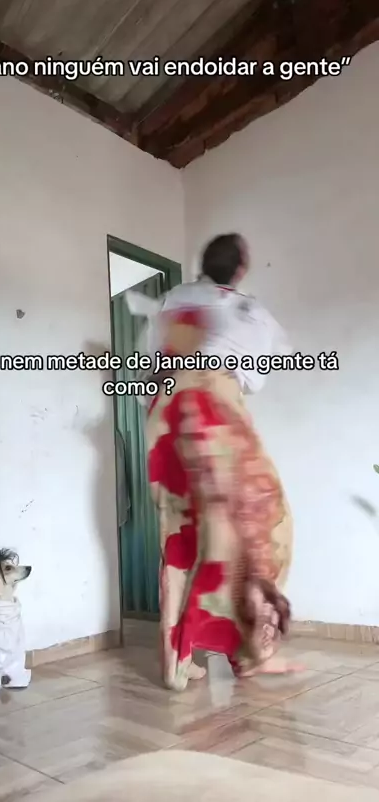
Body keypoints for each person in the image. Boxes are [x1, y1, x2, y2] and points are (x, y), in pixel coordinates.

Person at [127, 233, 299, 691]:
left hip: (165, 412)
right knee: (264, 526)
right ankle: (246, 649)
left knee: (179, 535)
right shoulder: (248, 310)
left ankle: (175, 662)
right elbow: (255, 379)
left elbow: (150, 365)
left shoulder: (174, 299)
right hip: (213, 407)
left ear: (203, 265)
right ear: (240, 269)